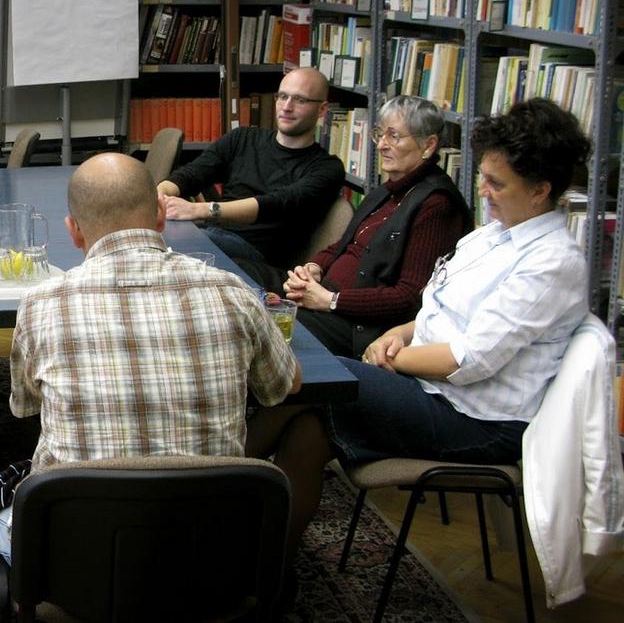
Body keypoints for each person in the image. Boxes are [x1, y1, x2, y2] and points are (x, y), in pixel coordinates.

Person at [0, 153, 302, 611]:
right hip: (211, 561)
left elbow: (24, 407)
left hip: (77, 566)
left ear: (73, 231)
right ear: (158, 216)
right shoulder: (231, 291)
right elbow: (285, 386)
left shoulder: (39, 303)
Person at [269, 98, 591, 583]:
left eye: (496, 183)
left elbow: (469, 359)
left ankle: (213, 507)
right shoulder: (491, 236)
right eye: (483, 175)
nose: (482, 191)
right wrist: (398, 335)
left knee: (309, 377)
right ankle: (267, 571)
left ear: (542, 189)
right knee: (307, 430)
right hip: (433, 389)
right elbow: (434, 306)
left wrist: (393, 360)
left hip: (477, 420)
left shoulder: (553, 262)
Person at [283, 96, 472, 358]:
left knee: (262, 331)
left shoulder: (437, 206)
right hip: (324, 300)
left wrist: (330, 302)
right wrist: (313, 268)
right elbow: (343, 246)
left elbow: (410, 298)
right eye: (379, 134)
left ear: (428, 145)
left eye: (393, 136)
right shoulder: (386, 191)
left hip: (359, 328)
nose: (382, 145)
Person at [158, 67, 345, 288]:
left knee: (169, 245)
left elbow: (276, 204)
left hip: (256, 256)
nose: (287, 107)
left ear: (322, 109)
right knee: (146, 235)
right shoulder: (242, 139)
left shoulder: (327, 168)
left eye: (300, 100)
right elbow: (192, 174)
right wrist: (160, 195)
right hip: (213, 234)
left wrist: (201, 210)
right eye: (282, 96)